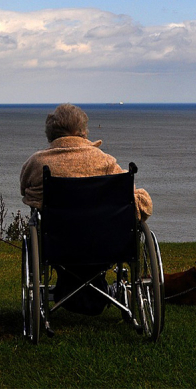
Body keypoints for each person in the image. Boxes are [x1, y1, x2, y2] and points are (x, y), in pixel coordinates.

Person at [20, 103, 152, 315]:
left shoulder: (37, 163)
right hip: (106, 243)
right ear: (82, 132)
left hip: (58, 245)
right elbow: (136, 203)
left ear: (51, 133)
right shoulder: (106, 161)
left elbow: (24, 190)